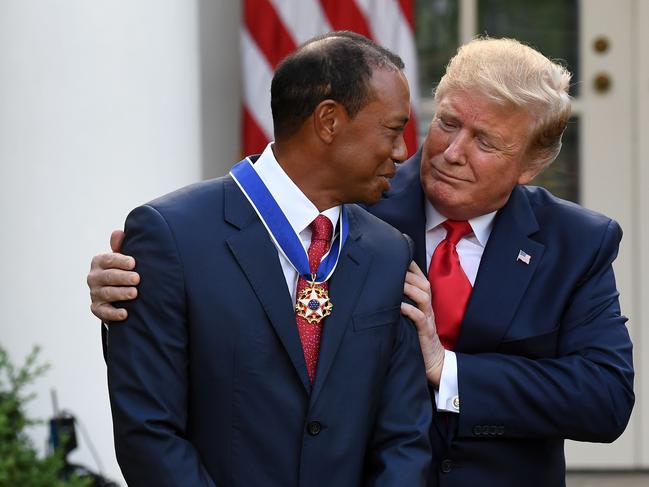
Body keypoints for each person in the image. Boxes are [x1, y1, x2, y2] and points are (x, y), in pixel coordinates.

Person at [88, 37, 635, 486]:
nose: (448, 151)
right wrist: (135, 286)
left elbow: (606, 398)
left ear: (531, 164)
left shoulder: (576, 243)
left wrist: (448, 371)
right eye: (446, 122)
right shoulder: (353, 196)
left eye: (486, 142)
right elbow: (224, 262)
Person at [97, 32, 432, 487]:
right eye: (393, 130)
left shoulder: (389, 250)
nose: (402, 153)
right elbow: (148, 432)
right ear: (329, 121)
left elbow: (404, 438)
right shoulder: (170, 235)